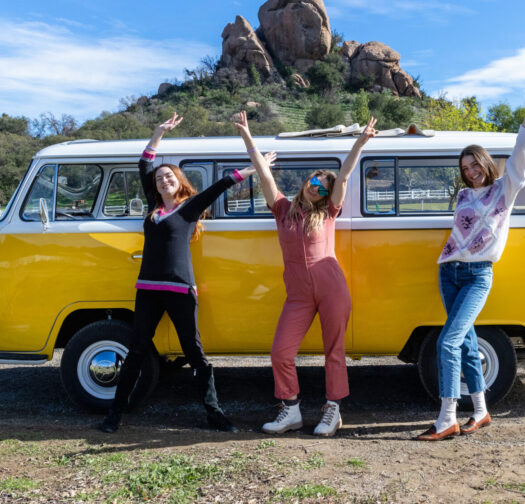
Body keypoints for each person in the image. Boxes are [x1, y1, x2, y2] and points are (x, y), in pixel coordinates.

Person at [99, 113, 273, 433]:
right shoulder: (154, 205)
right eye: (160, 178)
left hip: (180, 289)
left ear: (179, 181)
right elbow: (144, 163)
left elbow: (221, 186)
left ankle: (214, 413)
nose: (164, 180)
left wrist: (255, 167)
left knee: (194, 352)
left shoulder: (189, 207)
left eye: (170, 177)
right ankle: (115, 415)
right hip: (148, 289)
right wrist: (158, 132)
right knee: (137, 350)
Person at [416, 77, 525, 441]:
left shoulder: (503, 191)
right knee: (465, 343)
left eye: (474, 164)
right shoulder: (463, 195)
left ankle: (447, 417)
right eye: (465, 167)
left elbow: (522, 156)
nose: (470, 171)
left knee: (447, 342)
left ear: (485, 163)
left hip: (479, 275)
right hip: (449, 272)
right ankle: (480, 411)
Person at [235, 110, 377, 437]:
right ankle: (291, 410)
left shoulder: (328, 212)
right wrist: (247, 135)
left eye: (324, 188)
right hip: (298, 294)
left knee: (334, 351)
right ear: (307, 181)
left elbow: (343, 177)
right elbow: (263, 174)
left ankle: (333, 410)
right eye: (316, 182)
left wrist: (360, 142)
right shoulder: (282, 208)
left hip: (331, 288)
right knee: (281, 352)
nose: (319, 188)